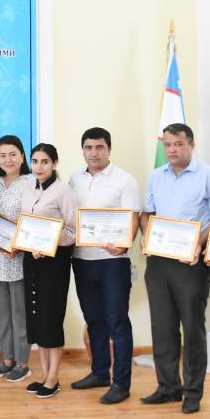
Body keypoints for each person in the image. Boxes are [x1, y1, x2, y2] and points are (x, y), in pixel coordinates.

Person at [139, 123, 210, 415]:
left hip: (191, 263)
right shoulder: (156, 176)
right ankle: (168, 387)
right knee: (162, 327)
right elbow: (147, 214)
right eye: (167, 145)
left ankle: (192, 392)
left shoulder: (209, 176)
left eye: (178, 144)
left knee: (191, 329)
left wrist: (197, 244)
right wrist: (147, 236)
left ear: (192, 145)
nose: (172, 150)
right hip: (159, 261)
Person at [68, 128, 140, 405]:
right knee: (94, 319)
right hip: (82, 260)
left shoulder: (124, 180)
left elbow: (132, 218)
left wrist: (125, 244)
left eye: (99, 147)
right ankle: (99, 372)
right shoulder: (74, 179)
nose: (94, 153)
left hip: (113, 262)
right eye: (89, 147)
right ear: (82, 150)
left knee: (117, 322)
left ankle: (121, 383)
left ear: (109, 149)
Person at [20, 143, 77, 399]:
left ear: (54, 163)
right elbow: (25, 223)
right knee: (37, 316)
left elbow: (74, 230)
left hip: (54, 261)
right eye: (35, 161)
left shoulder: (63, 191)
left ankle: (53, 378)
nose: (39, 167)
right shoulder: (27, 188)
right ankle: (43, 374)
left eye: (44, 161)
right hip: (31, 259)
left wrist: (47, 244)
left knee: (51, 318)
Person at [0, 136, 35, 384]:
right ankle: (7, 359)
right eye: (3, 155)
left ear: (22, 156)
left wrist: (21, 245)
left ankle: (22, 362)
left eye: (13, 154)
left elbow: (37, 219)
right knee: (1, 312)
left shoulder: (32, 183)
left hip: (20, 258)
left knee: (20, 313)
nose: (8, 159)